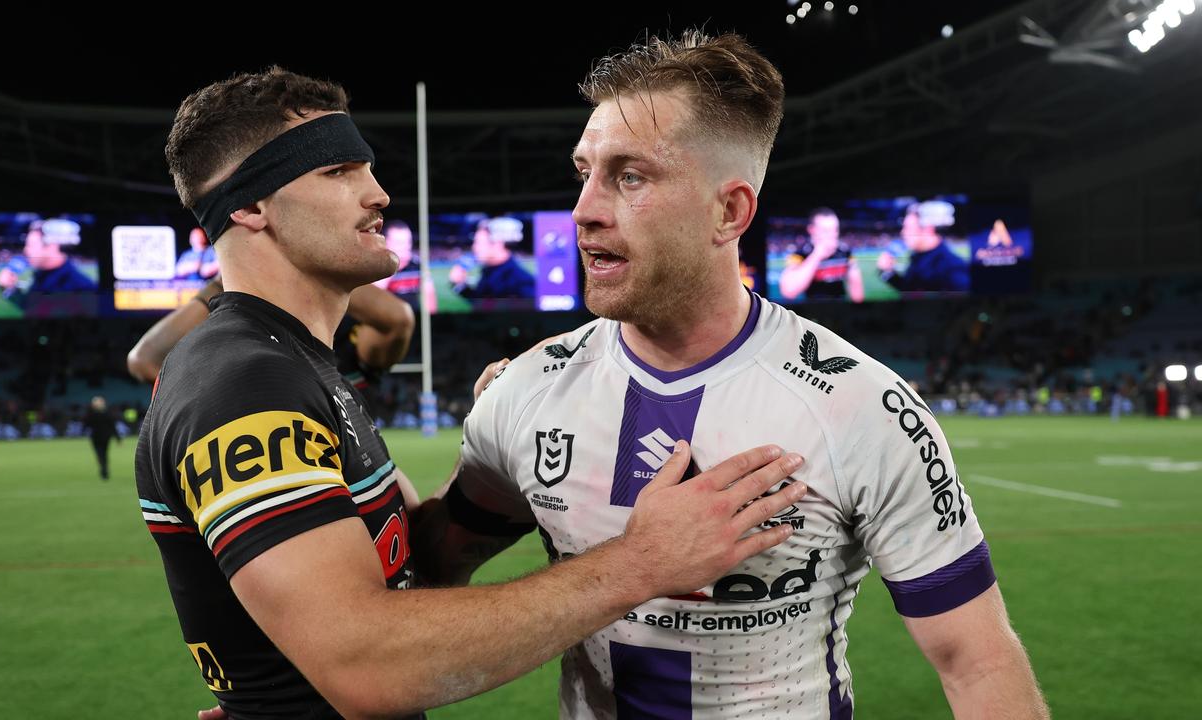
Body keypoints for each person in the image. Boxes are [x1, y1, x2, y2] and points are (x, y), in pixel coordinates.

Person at [138, 66, 806, 720]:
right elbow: (368, 665)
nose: (377, 194)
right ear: (250, 206)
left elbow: (409, 568)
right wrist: (643, 561)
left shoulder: (295, 364)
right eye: (337, 172)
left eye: (366, 168)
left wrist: (500, 450)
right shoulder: (245, 384)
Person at [414, 31, 1048, 719]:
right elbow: (432, 564)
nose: (584, 210)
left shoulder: (862, 405)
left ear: (730, 212)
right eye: (585, 173)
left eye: (630, 176)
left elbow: (977, 662)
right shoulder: (531, 391)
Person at [126, 276, 414, 391]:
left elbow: (397, 319)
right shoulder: (240, 355)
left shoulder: (345, 356)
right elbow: (145, 358)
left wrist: (303, 266)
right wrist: (224, 284)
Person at [0, 218, 98, 308]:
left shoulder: (81, 287)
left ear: (51, 247)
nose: (25, 250)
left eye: (31, 245)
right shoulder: (41, 275)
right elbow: (33, 307)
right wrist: (9, 289)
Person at [876, 201, 971, 293]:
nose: (903, 233)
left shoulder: (951, 267)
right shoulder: (919, 258)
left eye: (907, 228)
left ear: (928, 230)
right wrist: (887, 273)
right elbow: (911, 292)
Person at [777, 208, 865, 303]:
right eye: (825, 231)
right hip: (810, 312)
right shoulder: (800, 254)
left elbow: (858, 296)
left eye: (835, 230)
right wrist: (817, 255)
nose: (832, 235)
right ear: (811, 230)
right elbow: (789, 292)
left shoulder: (845, 252)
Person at [448, 216, 535, 299]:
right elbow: (483, 304)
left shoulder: (519, 281)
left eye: (479, 242)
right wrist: (459, 286)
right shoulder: (489, 271)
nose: (474, 247)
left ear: (498, 244)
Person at [372, 220, 436, 314]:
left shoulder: (417, 265)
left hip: (413, 319)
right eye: (399, 243)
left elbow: (430, 298)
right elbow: (372, 299)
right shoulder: (376, 266)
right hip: (385, 320)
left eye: (407, 242)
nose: (405, 247)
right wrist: (393, 267)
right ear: (385, 243)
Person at [83, 395, 118, 480]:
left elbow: (86, 424)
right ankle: (104, 468)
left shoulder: (94, 414)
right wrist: (118, 438)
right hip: (102, 437)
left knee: (100, 454)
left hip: (98, 437)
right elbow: (112, 426)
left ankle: (103, 468)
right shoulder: (104, 413)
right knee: (103, 454)